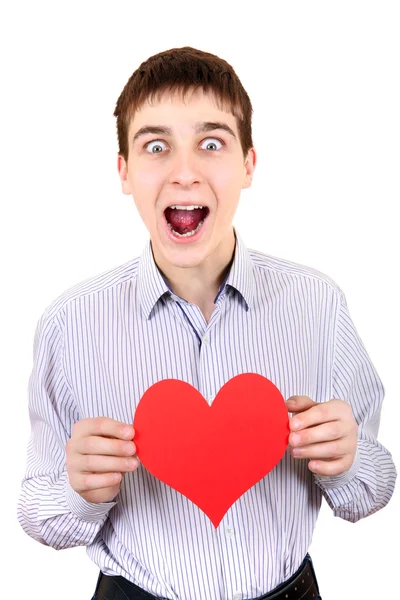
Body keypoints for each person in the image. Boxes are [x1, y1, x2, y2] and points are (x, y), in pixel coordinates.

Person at [17, 46, 396, 600]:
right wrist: (78, 490)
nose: (185, 172)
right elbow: (38, 512)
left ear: (248, 164)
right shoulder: (70, 323)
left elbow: (372, 489)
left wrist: (348, 458)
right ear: (124, 171)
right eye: (156, 146)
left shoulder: (318, 304)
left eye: (211, 143)